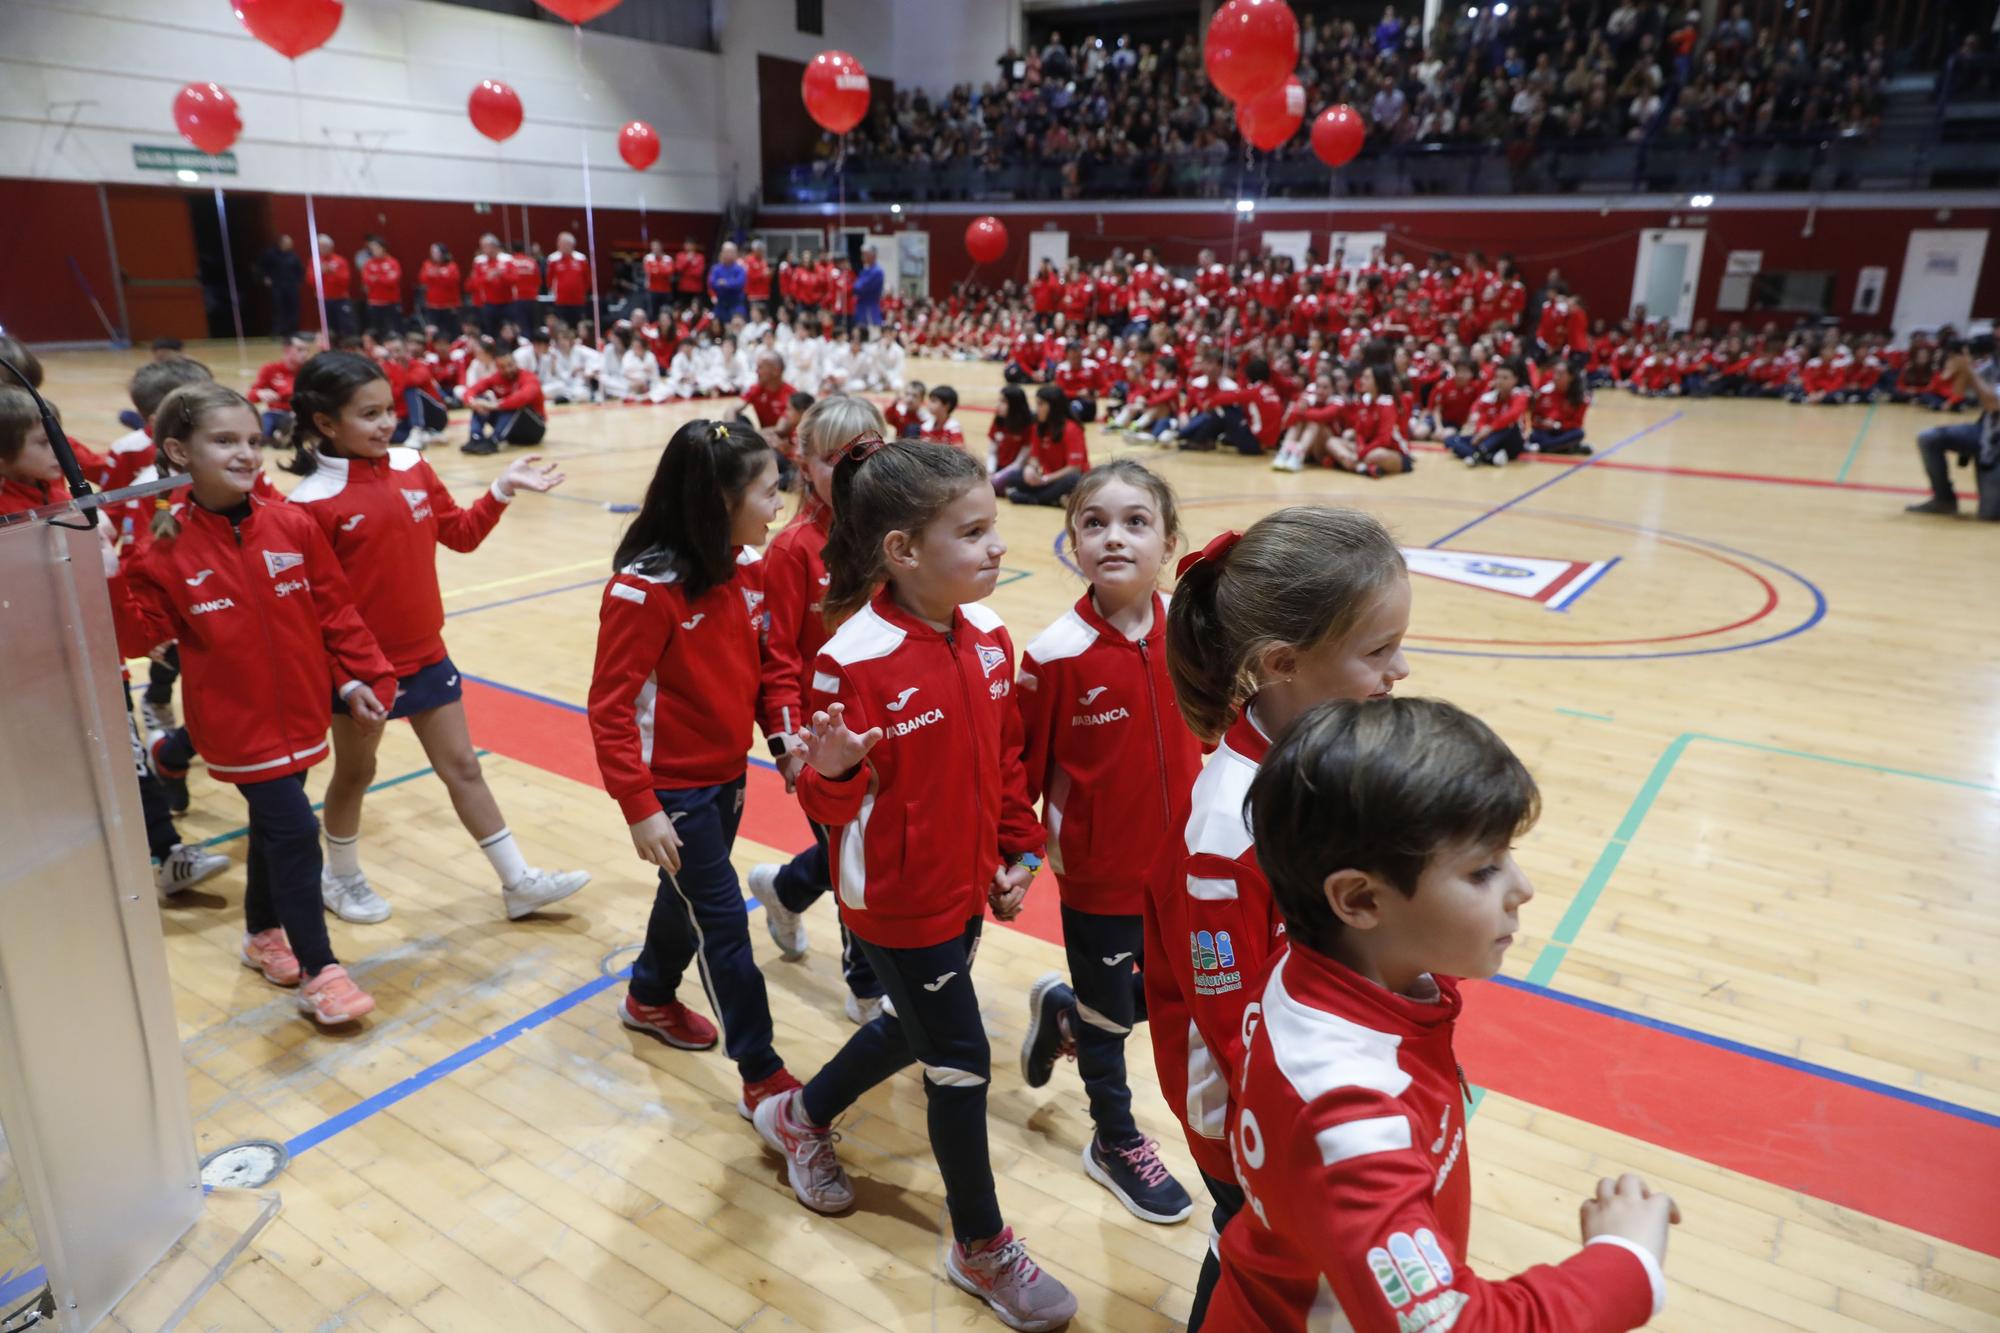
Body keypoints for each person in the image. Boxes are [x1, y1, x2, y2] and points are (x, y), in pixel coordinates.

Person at [1212, 697, 1679, 1329]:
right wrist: (1624, 1263)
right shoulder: (1348, 1114)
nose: (1522, 889)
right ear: (1358, 899)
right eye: (1484, 870)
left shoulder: (1311, 971)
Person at [751, 439, 1078, 1331]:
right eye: (971, 532)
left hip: (961, 889)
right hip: (892, 905)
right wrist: (833, 770)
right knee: (959, 1059)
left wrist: (1015, 849)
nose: (996, 546)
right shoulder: (849, 656)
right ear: (902, 550)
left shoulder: (990, 637)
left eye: (994, 527)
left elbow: (1003, 758)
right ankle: (981, 1244)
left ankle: (798, 1115)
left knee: (911, 1025)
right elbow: (827, 801)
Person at [1148, 507, 1411, 1329]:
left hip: (1306, 1074)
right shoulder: (1227, 827)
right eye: (1377, 651)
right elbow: (1232, 1025)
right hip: (1247, 1114)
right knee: (1254, 1260)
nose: (1399, 669)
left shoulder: (1318, 747)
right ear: (1282, 663)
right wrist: (1325, 1112)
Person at [104, 382, 397, 1026]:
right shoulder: (163, 543)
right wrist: (108, 570)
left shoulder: (292, 523)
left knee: (274, 828)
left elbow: (332, 610)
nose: (246, 454)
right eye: (226, 441)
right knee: (294, 831)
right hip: (236, 726)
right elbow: (137, 638)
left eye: (255, 441)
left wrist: (355, 679)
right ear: (180, 452)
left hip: (301, 713)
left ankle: (263, 933)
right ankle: (321, 970)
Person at [281, 352, 589, 924]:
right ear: (325, 423)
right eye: (368, 414)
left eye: (388, 410)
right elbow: (314, 613)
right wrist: (346, 680)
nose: (385, 423)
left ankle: (517, 882)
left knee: (463, 767)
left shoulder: (412, 465)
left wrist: (500, 488)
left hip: (426, 656)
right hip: (358, 673)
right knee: (355, 773)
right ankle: (340, 878)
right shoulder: (305, 506)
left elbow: (462, 534)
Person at [587, 418, 803, 1115]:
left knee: (680, 896)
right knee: (721, 921)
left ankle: (649, 994)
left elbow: (770, 667)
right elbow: (609, 708)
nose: (780, 505)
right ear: (720, 499)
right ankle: (762, 1073)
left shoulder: (746, 564)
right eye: (769, 491)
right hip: (673, 788)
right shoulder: (643, 588)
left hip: (727, 773)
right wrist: (640, 804)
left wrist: (783, 740)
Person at [1015, 460, 1199, 1225]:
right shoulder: (1054, 654)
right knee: (1110, 1022)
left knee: (1173, 992)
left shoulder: (1193, 636)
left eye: (1135, 521)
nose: (1113, 537)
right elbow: (1014, 771)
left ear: (1168, 542)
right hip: (1097, 875)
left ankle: (1065, 1012)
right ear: (1072, 543)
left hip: (1184, 867)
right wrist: (1022, 855)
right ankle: (1114, 1138)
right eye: (1093, 522)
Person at [744, 397, 891, 1024]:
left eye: (867, 453)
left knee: (864, 853)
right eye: (837, 460)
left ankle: (785, 888)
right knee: (858, 863)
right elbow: (775, 659)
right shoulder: (793, 551)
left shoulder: (898, 535)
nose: (855, 471)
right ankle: (865, 988)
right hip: (827, 742)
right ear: (806, 466)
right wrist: (785, 745)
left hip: (895, 725)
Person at [1906, 337, 2000, 521]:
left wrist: (1969, 370)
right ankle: (1944, 500)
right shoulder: (1993, 365)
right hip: (1986, 435)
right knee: (1928, 438)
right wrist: (1962, 367)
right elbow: (1958, 391)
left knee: (1989, 516)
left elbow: (1992, 404)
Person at [1001, 385, 1090, 507]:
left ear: (1053, 407)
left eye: (1040, 404)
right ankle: (1053, 499)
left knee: (1073, 480)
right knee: (1014, 476)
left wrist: (1046, 479)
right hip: (1046, 478)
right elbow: (1034, 458)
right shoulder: (1038, 427)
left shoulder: (1071, 429)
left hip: (1062, 478)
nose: (1037, 409)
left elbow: (1074, 468)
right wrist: (1031, 469)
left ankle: (1033, 498)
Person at [463, 347, 548, 454]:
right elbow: (472, 390)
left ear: (516, 363)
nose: (507, 370)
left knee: (515, 405)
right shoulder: (496, 378)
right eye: (502, 367)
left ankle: (493, 441)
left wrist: (493, 405)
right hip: (511, 433)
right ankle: (475, 437)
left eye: (510, 365)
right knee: (481, 400)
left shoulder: (529, 378)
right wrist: (473, 403)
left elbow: (523, 398)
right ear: (497, 367)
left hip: (534, 430)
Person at [1446, 360, 1531, 466]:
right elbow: (1482, 417)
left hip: (1511, 442)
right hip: (1488, 439)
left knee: (1509, 426)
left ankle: (1480, 453)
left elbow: (1512, 415)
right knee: (1451, 440)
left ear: (1515, 380)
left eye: (1505, 378)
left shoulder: (1521, 395)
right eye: (1497, 377)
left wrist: (1489, 429)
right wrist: (1480, 431)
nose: (1500, 381)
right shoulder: (1489, 397)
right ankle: (1489, 457)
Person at [249, 334, 312, 443]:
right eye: (300, 350)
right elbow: (251, 396)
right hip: (276, 413)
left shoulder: (310, 370)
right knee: (263, 426)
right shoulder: (270, 369)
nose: (305, 354)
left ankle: (285, 435)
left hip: (301, 414)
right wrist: (260, 393)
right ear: (287, 350)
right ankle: (277, 435)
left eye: (307, 350)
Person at [1530, 357, 1593, 455]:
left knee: (1578, 433)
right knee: (1534, 435)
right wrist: (1543, 423)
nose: (1555, 376)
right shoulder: (1544, 392)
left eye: (1560, 374)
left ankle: (1544, 447)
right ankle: (1564, 448)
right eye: (1554, 373)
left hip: (1565, 431)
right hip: (1545, 431)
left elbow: (1577, 423)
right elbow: (1534, 418)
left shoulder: (1580, 397)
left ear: (1571, 377)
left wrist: (1557, 425)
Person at [258, 234, 304, 338]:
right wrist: (265, 277)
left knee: (293, 308)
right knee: (278, 308)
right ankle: (278, 331)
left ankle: (292, 331)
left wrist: (298, 281)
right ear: (282, 243)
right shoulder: (270, 254)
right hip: (277, 286)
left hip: (291, 286)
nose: (291, 245)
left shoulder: (293, 255)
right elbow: (261, 267)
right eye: (289, 243)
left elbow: (299, 270)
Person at [311, 234, 354, 339]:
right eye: (319, 247)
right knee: (328, 327)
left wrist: (330, 273)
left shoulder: (340, 261)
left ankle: (346, 347)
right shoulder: (315, 261)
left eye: (323, 246)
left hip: (340, 299)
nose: (321, 249)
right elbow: (311, 279)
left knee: (344, 325)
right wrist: (321, 273)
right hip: (324, 300)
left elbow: (345, 279)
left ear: (330, 247)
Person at [547, 231, 591, 329]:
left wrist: (583, 292)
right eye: (560, 243)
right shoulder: (553, 259)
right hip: (561, 301)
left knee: (578, 326)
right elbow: (549, 279)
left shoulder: (581, 259)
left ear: (572, 245)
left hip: (578, 300)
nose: (560, 246)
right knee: (562, 326)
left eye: (564, 244)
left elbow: (587, 278)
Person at [360, 236, 402, 335]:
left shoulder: (392, 262)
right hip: (374, 302)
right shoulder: (368, 263)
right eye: (371, 248)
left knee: (394, 330)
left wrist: (376, 278)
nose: (373, 250)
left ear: (383, 248)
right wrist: (383, 277)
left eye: (375, 248)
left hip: (391, 302)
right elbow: (366, 280)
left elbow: (392, 280)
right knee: (377, 330)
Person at [418, 243, 462, 332]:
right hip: (432, 305)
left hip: (449, 305)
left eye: (436, 252)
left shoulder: (452, 266)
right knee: (434, 331)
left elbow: (453, 281)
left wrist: (438, 275)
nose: (434, 254)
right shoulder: (427, 264)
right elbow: (422, 279)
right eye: (432, 252)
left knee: (450, 330)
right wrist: (435, 275)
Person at [709, 241, 748, 323]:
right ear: (722, 253)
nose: (728, 254)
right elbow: (712, 283)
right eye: (726, 252)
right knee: (715, 324)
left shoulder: (740, 269)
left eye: (731, 252)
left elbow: (740, 284)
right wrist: (730, 284)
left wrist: (725, 283)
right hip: (721, 304)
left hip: (736, 303)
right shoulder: (716, 269)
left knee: (737, 322)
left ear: (735, 254)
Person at [852, 245, 886, 328]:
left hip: (870, 309)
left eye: (865, 254)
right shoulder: (866, 270)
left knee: (871, 335)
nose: (862, 257)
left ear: (873, 256)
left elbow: (858, 288)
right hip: (862, 307)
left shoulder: (876, 271)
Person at [642, 240, 676, 321]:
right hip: (652, 290)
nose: (655, 249)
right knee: (652, 313)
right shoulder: (648, 258)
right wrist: (662, 269)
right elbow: (648, 271)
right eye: (653, 247)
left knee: (666, 312)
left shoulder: (668, 259)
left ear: (661, 248)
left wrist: (656, 269)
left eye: (657, 247)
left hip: (665, 290)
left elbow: (669, 272)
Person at [675, 238, 708, 306]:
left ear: (694, 246)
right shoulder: (680, 255)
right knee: (683, 307)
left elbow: (699, 273)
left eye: (690, 245)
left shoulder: (700, 257)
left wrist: (687, 271)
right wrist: (688, 261)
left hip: (696, 288)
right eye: (687, 244)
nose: (688, 246)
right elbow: (678, 269)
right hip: (683, 288)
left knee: (695, 307)